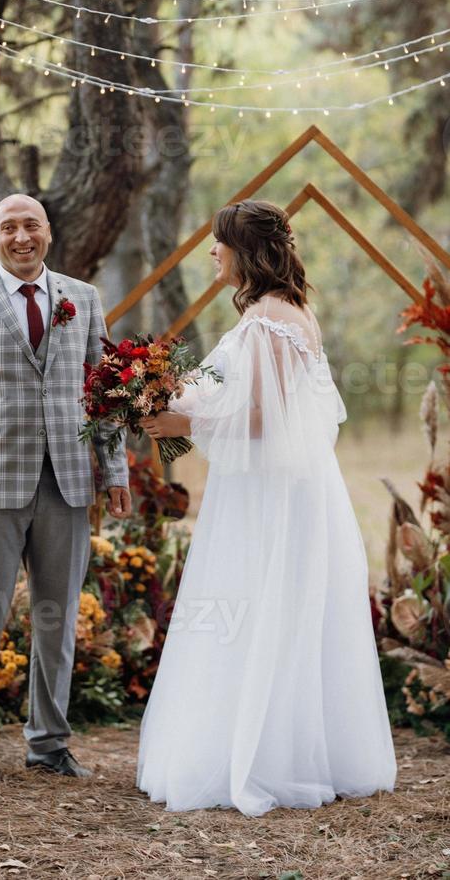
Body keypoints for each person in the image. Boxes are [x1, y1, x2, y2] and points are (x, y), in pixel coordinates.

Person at [136, 199, 397, 816]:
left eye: (217, 243)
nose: (210, 253)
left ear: (245, 251)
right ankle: (290, 746)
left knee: (258, 603)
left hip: (269, 494)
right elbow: (244, 398)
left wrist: (180, 419)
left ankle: (262, 758)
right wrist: (182, 394)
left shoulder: (268, 318)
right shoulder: (283, 311)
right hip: (279, 485)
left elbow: (264, 418)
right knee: (272, 606)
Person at [0, 193, 132, 783]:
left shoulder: (82, 298)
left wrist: (113, 470)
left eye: (31, 226)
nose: (22, 237)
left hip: (67, 482)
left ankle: (48, 743)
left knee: (57, 617)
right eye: (9, 227)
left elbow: (103, 394)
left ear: (48, 233)